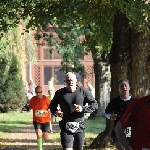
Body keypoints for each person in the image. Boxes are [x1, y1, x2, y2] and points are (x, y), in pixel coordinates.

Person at [49, 72, 98, 150]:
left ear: (76, 80)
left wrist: (83, 109)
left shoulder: (83, 91)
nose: (70, 82)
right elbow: (52, 106)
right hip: (66, 126)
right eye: (68, 81)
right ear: (65, 82)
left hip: (79, 126)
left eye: (72, 80)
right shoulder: (60, 93)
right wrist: (56, 112)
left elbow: (95, 105)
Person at [105, 79, 135, 150]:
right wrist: (111, 117)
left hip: (131, 132)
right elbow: (106, 112)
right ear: (119, 89)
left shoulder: (135, 102)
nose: (124, 87)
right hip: (118, 131)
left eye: (125, 85)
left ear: (129, 87)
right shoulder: (115, 101)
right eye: (122, 86)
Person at [23, 86, 51, 150]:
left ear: (42, 92)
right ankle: (40, 148)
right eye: (36, 92)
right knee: (38, 133)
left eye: (39, 92)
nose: (38, 94)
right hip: (36, 120)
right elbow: (29, 107)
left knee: (45, 137)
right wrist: (26, 108)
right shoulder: (33, 99)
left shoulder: (46, 99)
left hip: (45, 120)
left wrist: (47, 111)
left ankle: (41, 141)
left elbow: (51, 107)